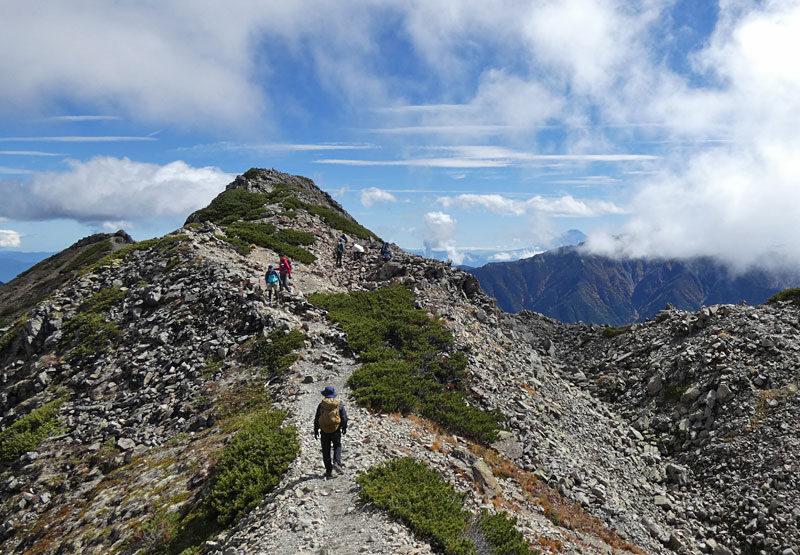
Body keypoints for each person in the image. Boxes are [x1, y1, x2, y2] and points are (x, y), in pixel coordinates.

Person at [314, 385, 348, 478]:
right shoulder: (339, 404)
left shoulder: (321, 405)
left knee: (326, 450)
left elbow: (317, 418)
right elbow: (344, 417)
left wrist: (316, 430)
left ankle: (329, 471)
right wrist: (344, 427)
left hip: (324, 431)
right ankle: (337, 463)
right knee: (337, 446)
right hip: (336, 429)